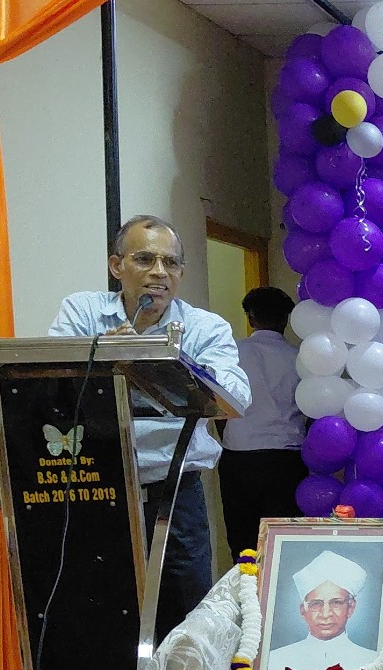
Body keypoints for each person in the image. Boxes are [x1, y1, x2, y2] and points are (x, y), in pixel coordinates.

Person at [49, 215, 250, 636]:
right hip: (96, 486)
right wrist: (104, 356)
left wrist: (159, 364)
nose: (159, 273)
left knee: (186, 620)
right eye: (144, 259)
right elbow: (51, 383)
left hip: (175, 492)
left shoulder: (204, 327)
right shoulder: (83, 312)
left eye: (170, 263)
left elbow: (235, 397)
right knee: (100, 616)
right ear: (116, 266)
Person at [219, 287, 307, 559]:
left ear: (250, 318)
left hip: (240, 455)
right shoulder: (302, 358)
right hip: (287, 457)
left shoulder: (232, 353)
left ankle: (246, 582)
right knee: (285, 541)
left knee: (243, 538)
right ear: (286, 319)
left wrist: (230, 435)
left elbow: (218, 404)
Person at [265, 549, 378, 670]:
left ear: (350, 608)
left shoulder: (373, 662)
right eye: (316, 604)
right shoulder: (275, 660)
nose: (325, 614)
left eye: (336, 603)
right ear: (303, 611)